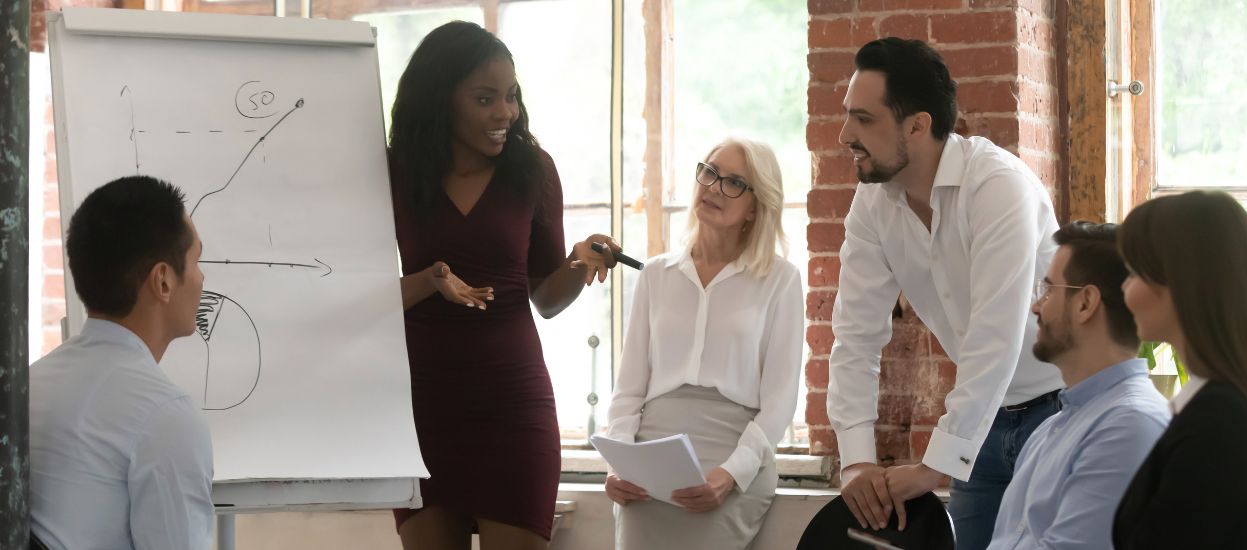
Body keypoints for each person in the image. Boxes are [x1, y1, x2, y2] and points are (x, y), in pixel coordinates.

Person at [387, 21, 621, 550]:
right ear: (440, 99)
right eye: (484, 98)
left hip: (513, 405)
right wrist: (430, 281)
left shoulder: (533, 171)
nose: (505, 113)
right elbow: (359, 295)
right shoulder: (393, 173)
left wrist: (578, 263)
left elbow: (546, 299)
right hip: (422, 408)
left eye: (511, 96)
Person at [827, 37, 1064, 550]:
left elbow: (994, 337)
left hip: (1059, 413)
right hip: (983, 423)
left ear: (918, 125)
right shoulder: (871, 203)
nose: (845, 135)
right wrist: (857, 461)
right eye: (848, 116)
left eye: (863, 119)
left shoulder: (998, 186)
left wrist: (934, 465)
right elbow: (855, 336)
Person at [603, 137, 803, 549]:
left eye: (734, 182)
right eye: (710, 173)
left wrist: (731, 474)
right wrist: (618, 462)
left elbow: (780, 402)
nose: (714, 187)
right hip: (649, 459)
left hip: (735, 457)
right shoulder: (656, 274)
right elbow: (628, 390)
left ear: (755, 207)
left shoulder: (780, 280)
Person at [29, 175, 213, 550]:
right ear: (163, 281)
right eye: (196, 260)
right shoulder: (164, 415)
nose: (202, 276)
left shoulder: (32, 382)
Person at [1112, 191, 1247, 548]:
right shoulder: (1223, 406)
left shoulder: (1219, 421)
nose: (1124, 288)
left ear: (1181, 282)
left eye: (1133, 273)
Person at [987, 222, 1170, 549]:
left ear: (1085, 303)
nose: (1036, 306)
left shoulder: (1130, 424)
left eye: (1049, 290)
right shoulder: (1052, 428)